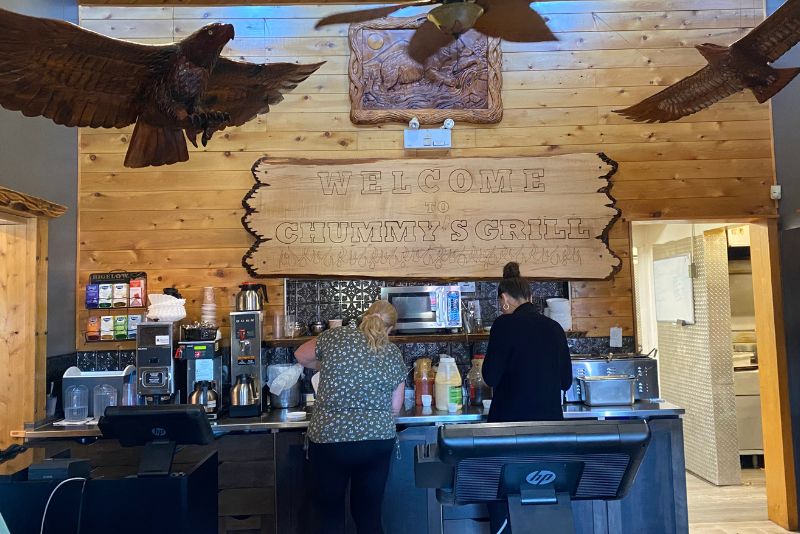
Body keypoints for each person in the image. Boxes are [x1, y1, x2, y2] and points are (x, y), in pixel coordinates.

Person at [295, 300, 406, 534]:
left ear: (364, 317)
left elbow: (300, 355)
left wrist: (327, 365)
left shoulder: (336, 336)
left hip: (330, 442)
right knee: (369, 517)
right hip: (376, 442)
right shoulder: (392, 352)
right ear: (389, 328)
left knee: (329, 517)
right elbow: (395, 407)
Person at [482, 262, 573, 533]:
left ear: (505, 299)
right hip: (549, 429)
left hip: (510, 429)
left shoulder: (504, 325)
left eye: (501, 303)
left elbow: (490, 376)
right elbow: (566, 381)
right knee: (543, 492)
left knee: (506, 493)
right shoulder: (554, 328)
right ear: (531, 298)